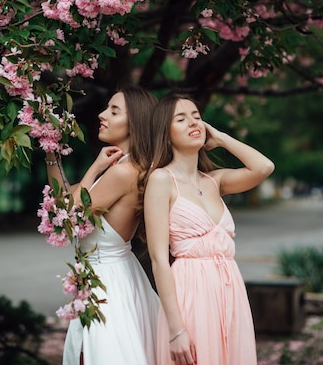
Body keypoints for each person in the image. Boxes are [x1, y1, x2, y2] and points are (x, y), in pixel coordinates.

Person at [144, 93, 275, 365]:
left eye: (197, 117)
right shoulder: (161, 180)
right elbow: (158, 259)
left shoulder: (216, 181)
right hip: (190, 291)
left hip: (230, 289)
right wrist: (175, 328)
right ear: (165, 134)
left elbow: (264, 167)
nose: (194, 123)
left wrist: (222, 139)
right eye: (181, 119)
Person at [45, 85, 160, 365]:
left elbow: (67, 215)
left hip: (107, 281)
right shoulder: (129, 167)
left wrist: (94, 168)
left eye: (114, 110)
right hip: (116, 275)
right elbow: (67, 197)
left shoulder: (122, 172)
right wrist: (51, 152)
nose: (102, 114)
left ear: (135, 124)